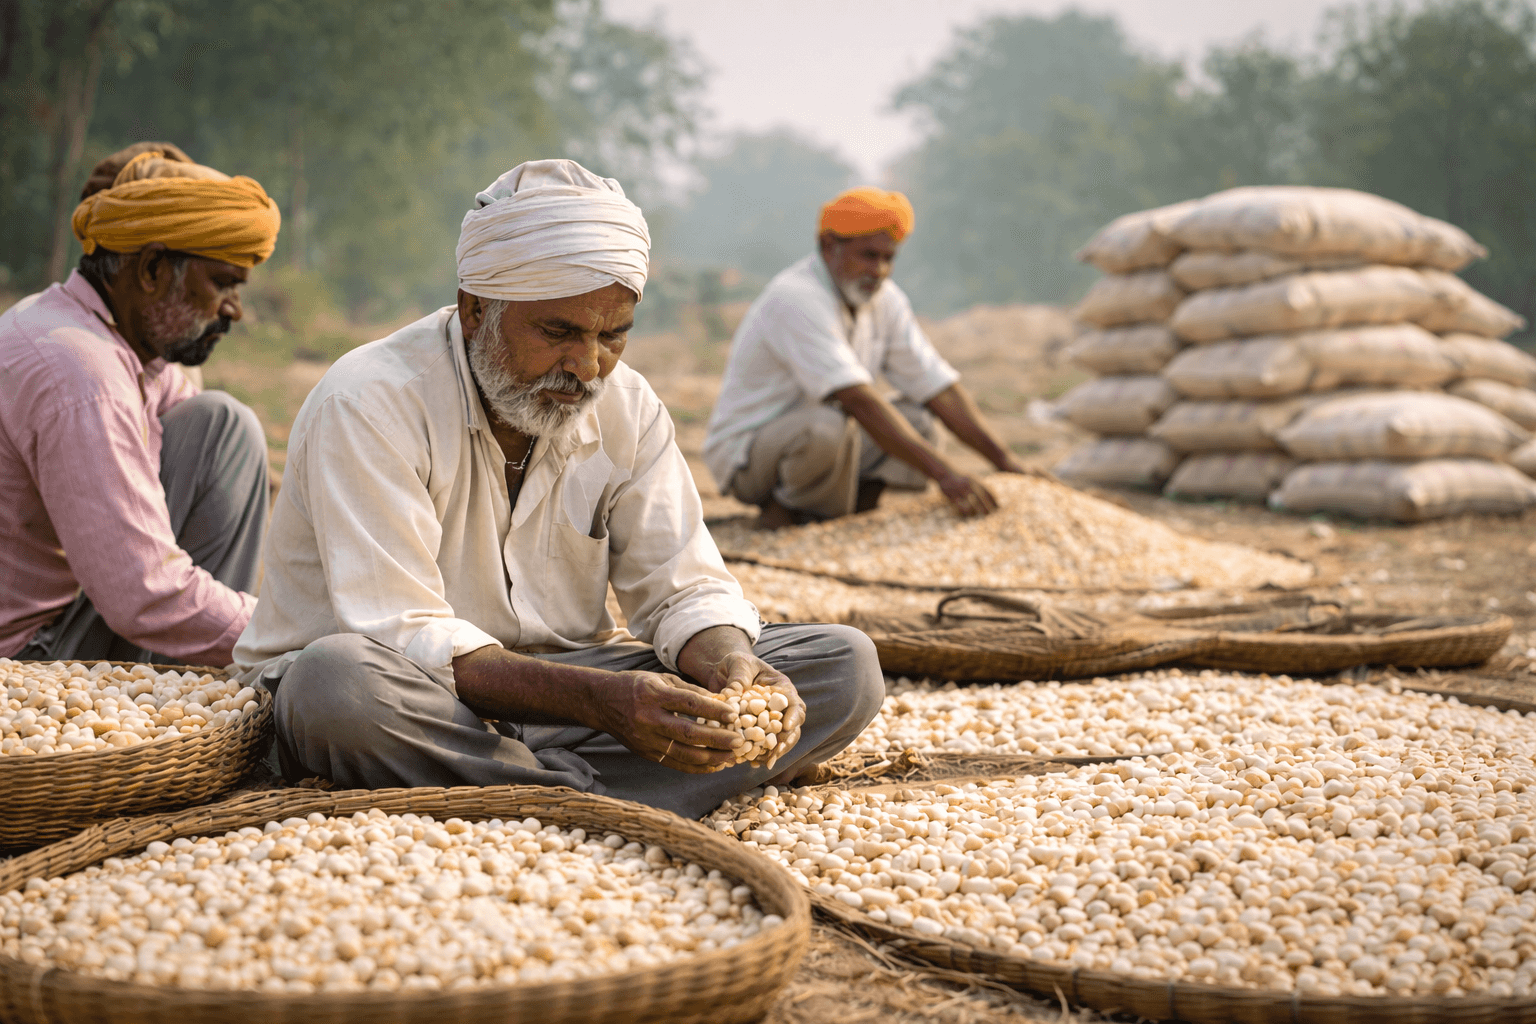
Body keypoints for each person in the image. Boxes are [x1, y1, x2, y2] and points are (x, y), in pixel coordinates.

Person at [232, 160, 883, 820]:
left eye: (613, 334)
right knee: (333, 685)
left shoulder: (627, 404)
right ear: (474, 310)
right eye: (559, 332)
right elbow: (401, 634)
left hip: (565, 697)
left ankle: (530, 794)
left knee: (844, 666)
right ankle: (603, 796)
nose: (589, 365)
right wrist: (602, 703)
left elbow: (681, 587)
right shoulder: (370, 400)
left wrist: (732, 666)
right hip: (420, 693)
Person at [0, 143, 280, 667]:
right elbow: (144, 593)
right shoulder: (83, 375)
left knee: (221, 428)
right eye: (222, 284)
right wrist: (283, 633)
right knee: (230, 430)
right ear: (151, 269)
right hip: (24, 663)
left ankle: (211, 679)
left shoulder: (101, 341)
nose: (234, 310)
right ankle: (211, 694)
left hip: (67, 625)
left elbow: (206, 449)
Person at [703, 186, 1029, 528]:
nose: (880, 270)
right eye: (868, 256)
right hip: (751, 457)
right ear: (829, 246)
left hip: (831, 443)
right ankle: (784, 515)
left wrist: (1006, 461)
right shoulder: (795, 297)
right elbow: (857, 399)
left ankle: (851, 513)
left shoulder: (885, 300)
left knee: (919, 419)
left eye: (889, 259)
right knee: (825, 427)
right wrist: (947, 475)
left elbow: (936, 386)